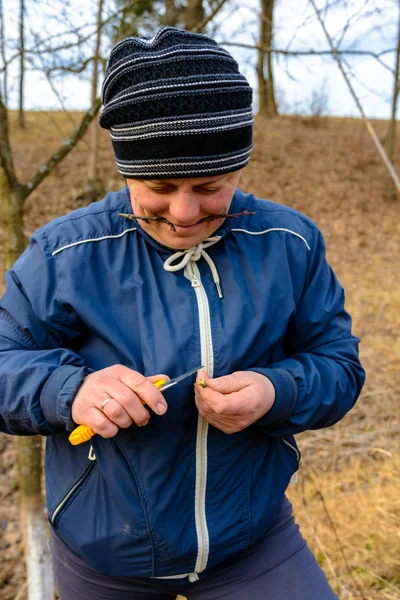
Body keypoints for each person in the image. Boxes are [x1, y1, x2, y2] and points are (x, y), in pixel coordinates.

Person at [0, 27, 365, 600]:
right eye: (159, 186)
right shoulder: (64, 253)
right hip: (103, 555)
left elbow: (340, 366)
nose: (184, 212)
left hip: (251, 545)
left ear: (239, 168)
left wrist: (276, 393)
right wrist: (70, 391)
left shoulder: (288, 243)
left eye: (209, 185)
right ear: (125, 170)